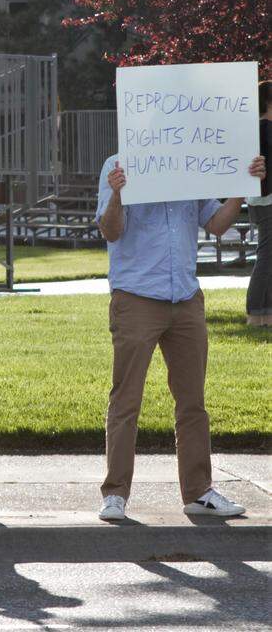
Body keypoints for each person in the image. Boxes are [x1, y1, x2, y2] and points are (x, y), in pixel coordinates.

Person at [95, 148, 267, 521]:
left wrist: (242, 186)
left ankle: (198, 492)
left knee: (192, 402)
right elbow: (110, 230)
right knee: (126, 400)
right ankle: (115, 495)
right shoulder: (118, 165)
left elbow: (217, 223)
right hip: (136, 297)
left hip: (186, 297)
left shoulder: (188, 161)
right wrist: (119, 194)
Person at [245, 80, 271, 327]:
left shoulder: (256, 129)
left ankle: (266, 312)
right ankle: (255, 311)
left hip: (260, 199)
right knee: (266, 255)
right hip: (266, 199)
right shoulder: (265, 128)